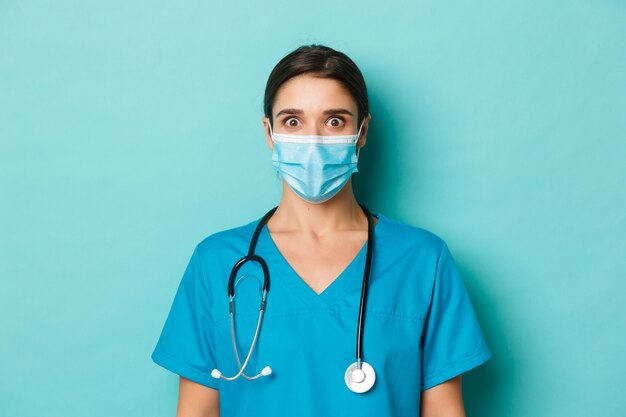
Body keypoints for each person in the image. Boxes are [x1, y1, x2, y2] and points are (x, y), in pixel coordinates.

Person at [151, 44, 492, 417]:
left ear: (362, 132)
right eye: (292, 122)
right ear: (269, 132)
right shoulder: (216, 262)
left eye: (334, 121)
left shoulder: (422, 261)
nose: (312, 141)